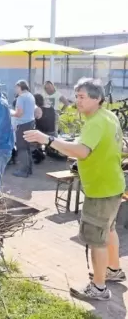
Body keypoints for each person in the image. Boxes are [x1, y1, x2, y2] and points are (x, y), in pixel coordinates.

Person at [24, 78, 125, 301]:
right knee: (108, 229)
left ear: (96, 98)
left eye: (82, 97)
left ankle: (98, 288)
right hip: (113, 184)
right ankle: (114, 270)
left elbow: (82, 151)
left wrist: (48, 139)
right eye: (76, 96)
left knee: (95, 239)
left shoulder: (96, 122)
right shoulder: (108, 116)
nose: (77, 101)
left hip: (100, 190)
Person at [10, 80, 36, 178]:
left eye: (16, 87)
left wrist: (10, 112)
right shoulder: (30, 95)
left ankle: (23, 170)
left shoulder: (21, 97)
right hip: (30, 123)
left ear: (20, 87)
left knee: (21, 148)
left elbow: (19, 113)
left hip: (23, 124)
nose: (15, 90)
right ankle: (29, 169)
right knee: (27, 147)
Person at [31, 93, 56, 164]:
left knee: (29, 135)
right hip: (52, 132)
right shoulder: (51, 108)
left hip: (44, 133)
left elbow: (33, 120)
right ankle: (45, 150)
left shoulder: (38, 109)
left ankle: (39, 153)